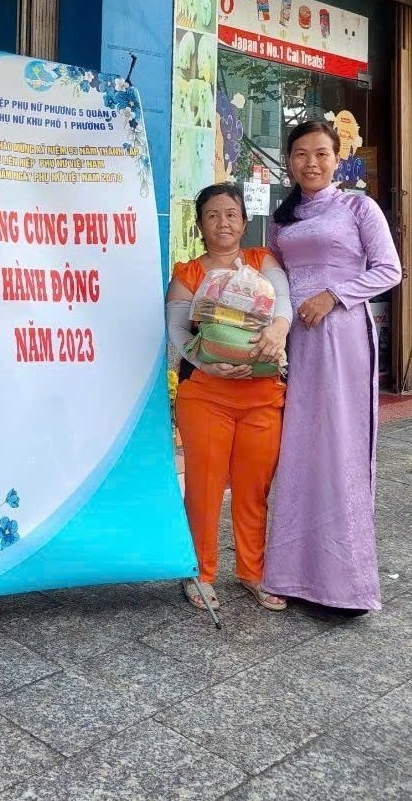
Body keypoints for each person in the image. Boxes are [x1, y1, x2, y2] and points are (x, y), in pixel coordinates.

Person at [263, 120, 401, 613]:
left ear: (338, 158)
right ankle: (290, 573)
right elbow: (273, 272)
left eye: (321, 153)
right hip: (293, 339)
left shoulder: (359, 208)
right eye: (301, 154)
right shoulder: (284, 218)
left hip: (341, 336)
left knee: (339, 445)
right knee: (298, 446)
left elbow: (389, 269)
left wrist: (334, 296)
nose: (311, 163)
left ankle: (344, 585)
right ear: (290, 160)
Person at [166, 184, 291, 612]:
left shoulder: (262, 262)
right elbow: (178, 333)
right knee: (203, 487)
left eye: (232, 214)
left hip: (261, 395)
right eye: (214, 215)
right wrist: (207, 363)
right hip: (206, 397)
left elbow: (284, 306)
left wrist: (278, 330)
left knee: (254, 489)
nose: (224, 222)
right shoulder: (188, 274)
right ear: (200, 224)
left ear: (244, 220)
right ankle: (199, 573)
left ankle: (253, 573)